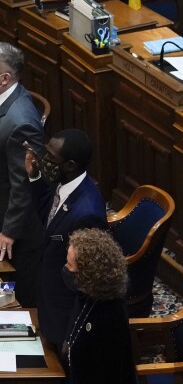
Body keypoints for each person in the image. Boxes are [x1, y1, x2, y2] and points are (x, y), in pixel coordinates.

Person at [25, 129, 107, 350]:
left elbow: (87, 282)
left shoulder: (87, 213)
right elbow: (50, 220)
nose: (45, 160)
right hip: (48, 296)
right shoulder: (65, 183)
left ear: (70, 164)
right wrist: (35, 177)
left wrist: (71, 333)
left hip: (63, 312)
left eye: (51, 157)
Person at [0, 43, 44, 307]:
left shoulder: (21, 122)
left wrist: (8, 230)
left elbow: (23, 185)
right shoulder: (6, 98)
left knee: (20, 290)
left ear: (4, 79)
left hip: (14, 224)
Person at [62, 228, 136, 383]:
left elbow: (110, 375)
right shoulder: (86, 296)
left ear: (87, 273)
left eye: (69, 265)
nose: (65, 269)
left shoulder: (110, 317)